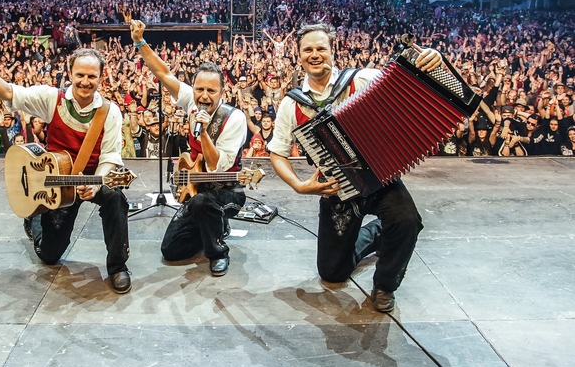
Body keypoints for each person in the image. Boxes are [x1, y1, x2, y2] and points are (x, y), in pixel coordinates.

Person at [267, 23, 443, 313]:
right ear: (298, 56)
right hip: (335, 186)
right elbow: (277, 153)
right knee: (332, 273)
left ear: (332, 51)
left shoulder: (360, 79)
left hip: (379, 177)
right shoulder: (291, 103)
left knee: (407, 220)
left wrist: (431, 57)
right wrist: (299, 186)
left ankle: (385, 285)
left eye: (320, 48)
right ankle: (376, 233)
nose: (314, 54)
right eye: (307, 49)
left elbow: (407, 76)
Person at [0, 46, 132, 294]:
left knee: (116, 197)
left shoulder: (109, 112)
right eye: (80, 75)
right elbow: (6, 91)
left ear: (101, 77)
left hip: (92, 177)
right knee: (49, 256)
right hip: (57, 179)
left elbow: (110, 157)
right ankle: (34, 216)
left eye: (91, 76)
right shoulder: (51, 98)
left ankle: (118, 267)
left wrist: (97, 183)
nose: (85, 82)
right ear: (69, 73)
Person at [130, 19, 247, 277]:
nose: (204, 96)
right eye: (199, 89)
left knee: (205, 202)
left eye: (211, 91)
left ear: (222, 92)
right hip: (195, 188)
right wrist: (140, 42)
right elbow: (163, 73)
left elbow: (217, 165)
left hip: (226, 189)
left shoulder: (234, 119)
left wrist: (204, 133)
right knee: (171, 250)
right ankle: (212, 227)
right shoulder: (191, 102)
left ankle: (218, 250)